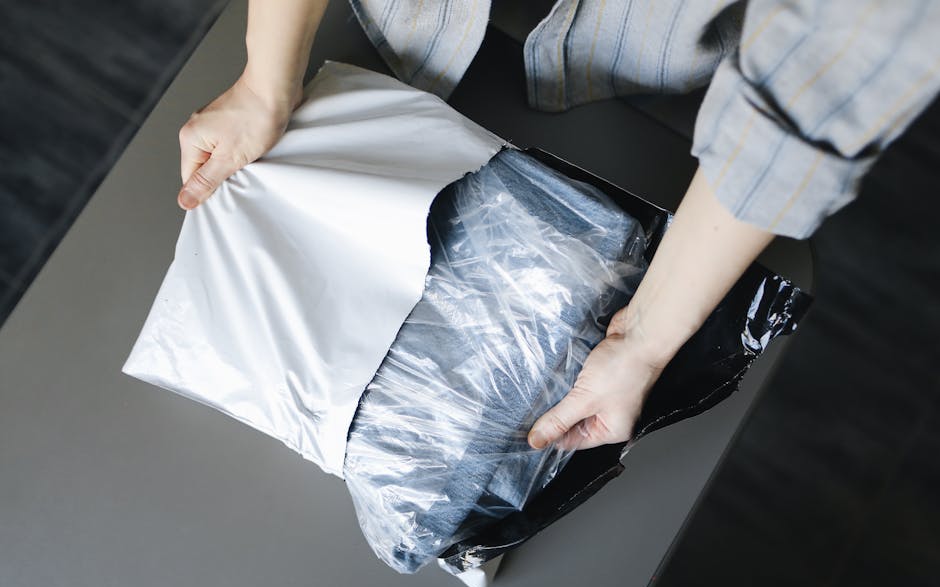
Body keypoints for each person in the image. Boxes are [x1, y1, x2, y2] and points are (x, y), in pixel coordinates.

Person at [176, 0, 940, 452]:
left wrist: (639, 340)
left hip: (638, 64)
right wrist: (265, 80)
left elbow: (814, 86)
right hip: (399, 33)